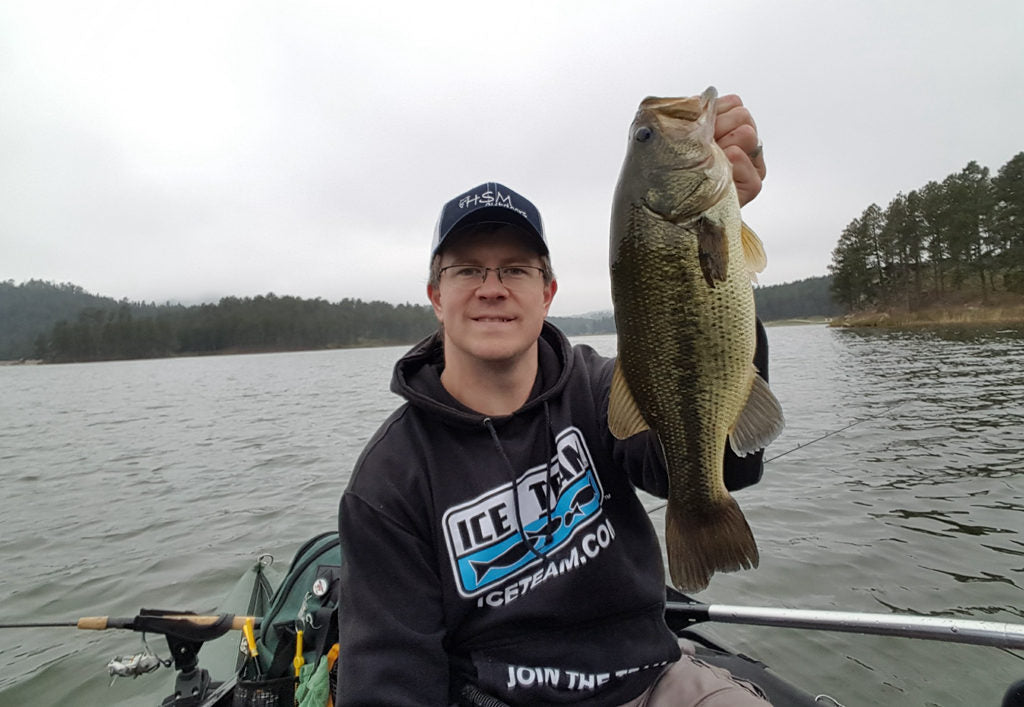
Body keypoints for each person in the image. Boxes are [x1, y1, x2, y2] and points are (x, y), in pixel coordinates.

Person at [337, 95, 771, 706]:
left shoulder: (598, 391)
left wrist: (720, 246)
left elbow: (723, 465)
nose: (492, 288)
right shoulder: (389, 480)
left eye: (516, 269)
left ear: (548, 292)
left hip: (651, 680)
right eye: (468, 270)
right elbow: (390, 674)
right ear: (436, 296)